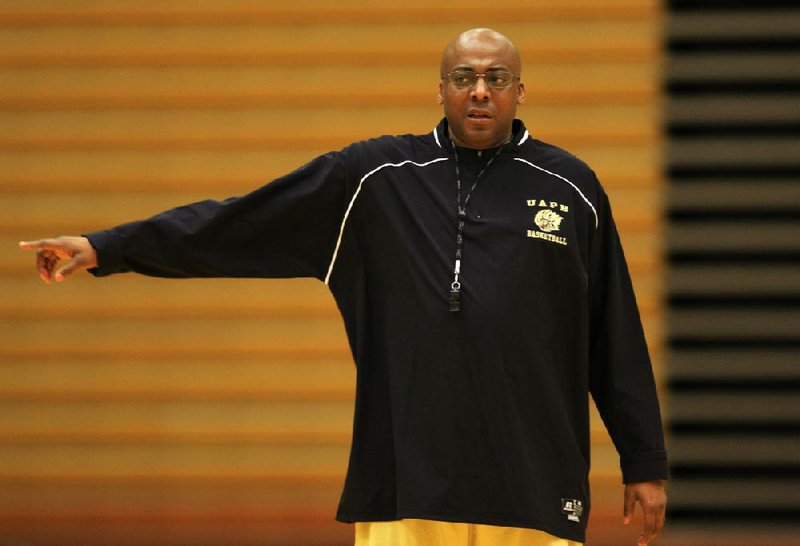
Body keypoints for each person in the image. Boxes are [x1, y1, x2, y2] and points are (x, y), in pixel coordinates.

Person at [19, 28, 667, 546]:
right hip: (407, 486)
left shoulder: (572, 189)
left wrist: (644, 461)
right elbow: (240, 222)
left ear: (520, 91)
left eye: (495, 79)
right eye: (463, 78)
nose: (478, 92)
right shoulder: (376, 179)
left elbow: (613, 336)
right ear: (439, 89)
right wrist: (108, 247)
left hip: (535, 485)